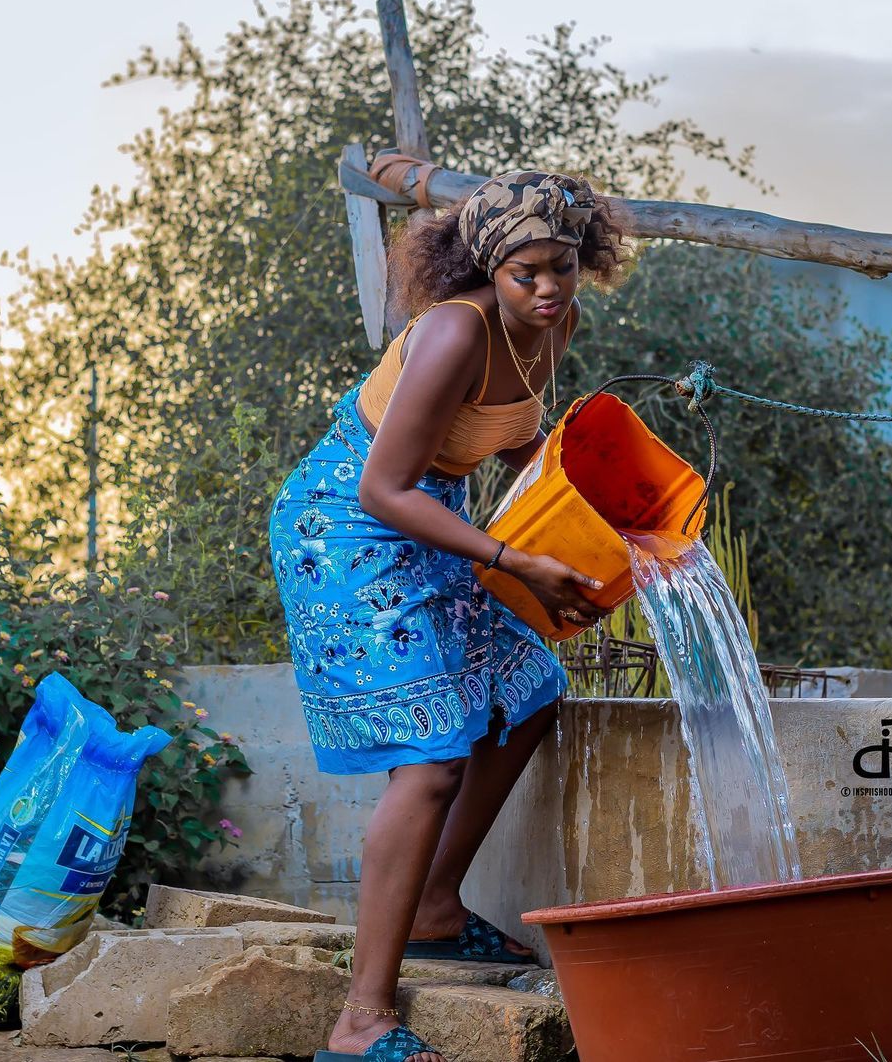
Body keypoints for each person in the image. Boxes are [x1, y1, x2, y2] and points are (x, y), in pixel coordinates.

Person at [269, 170, 632, 1062]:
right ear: (487, 267)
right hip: (346, 529)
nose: (548, 289)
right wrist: (513, 561)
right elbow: (384, 488)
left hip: (429, 515)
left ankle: (436, 906)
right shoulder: (448, 334)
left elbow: (508, 436)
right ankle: (360, 1020)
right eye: (527, 273)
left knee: (530, 691)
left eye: (564, 268)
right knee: (429, 761)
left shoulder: (554, 327)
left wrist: (589, 513)